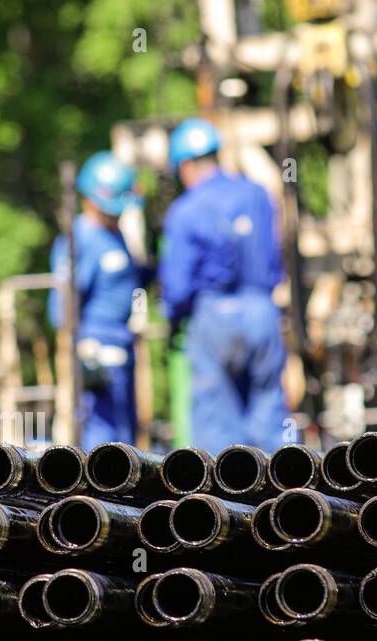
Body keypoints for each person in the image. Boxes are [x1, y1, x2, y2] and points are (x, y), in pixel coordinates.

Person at [158, 118, 289, 453]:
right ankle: (286, 497)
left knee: (218, 432)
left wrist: (174, 318)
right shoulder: (257, 194)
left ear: (185, 166)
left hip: (213, 316)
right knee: (269, 418)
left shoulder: (185, 211)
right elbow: (276, 255)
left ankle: (225, 505)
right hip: (262, 310)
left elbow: (177, 286)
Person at [49, 151, 146, 449]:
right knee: (101, 436)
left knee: (123, 432)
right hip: (96, 341)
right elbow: (64, 304)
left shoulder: (115, 236)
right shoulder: (81, 239)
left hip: (122, 341)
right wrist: (80, 347)